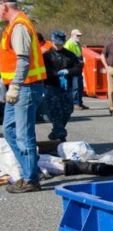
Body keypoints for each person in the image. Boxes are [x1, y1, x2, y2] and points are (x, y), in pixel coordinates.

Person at [0, 0, 47, 193]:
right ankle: (31, 169)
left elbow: (23, 60)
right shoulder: (13, 25)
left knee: (23, 135)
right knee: (10, 131)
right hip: (19, 88)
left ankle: (31, 179)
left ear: (4, 5)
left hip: (25, 88)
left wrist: (15, 86)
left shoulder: (19, 26)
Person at [42, 30, 82, 142]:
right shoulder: (47, 56)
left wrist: (68, 71)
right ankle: (60, 133)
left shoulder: (70, 55)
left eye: (61, 44)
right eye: (56, 44)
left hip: (66, 87)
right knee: (54, 111)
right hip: (52, 86)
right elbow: (44, 71)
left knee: (67, 111)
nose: (59, 46)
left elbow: (78, 68)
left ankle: (56, 133)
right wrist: (56, 74)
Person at [64, 29, 88, 110]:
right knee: (75, 87)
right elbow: (66, 56)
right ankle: (75, 103)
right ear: (72, 35)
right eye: (77, 35)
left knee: (80, 87)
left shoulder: (77, 44)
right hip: (73, 69)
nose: (79, 37)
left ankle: (80, 103)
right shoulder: (69, 43)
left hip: (78, 68)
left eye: (79, 36)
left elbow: (80, 55)